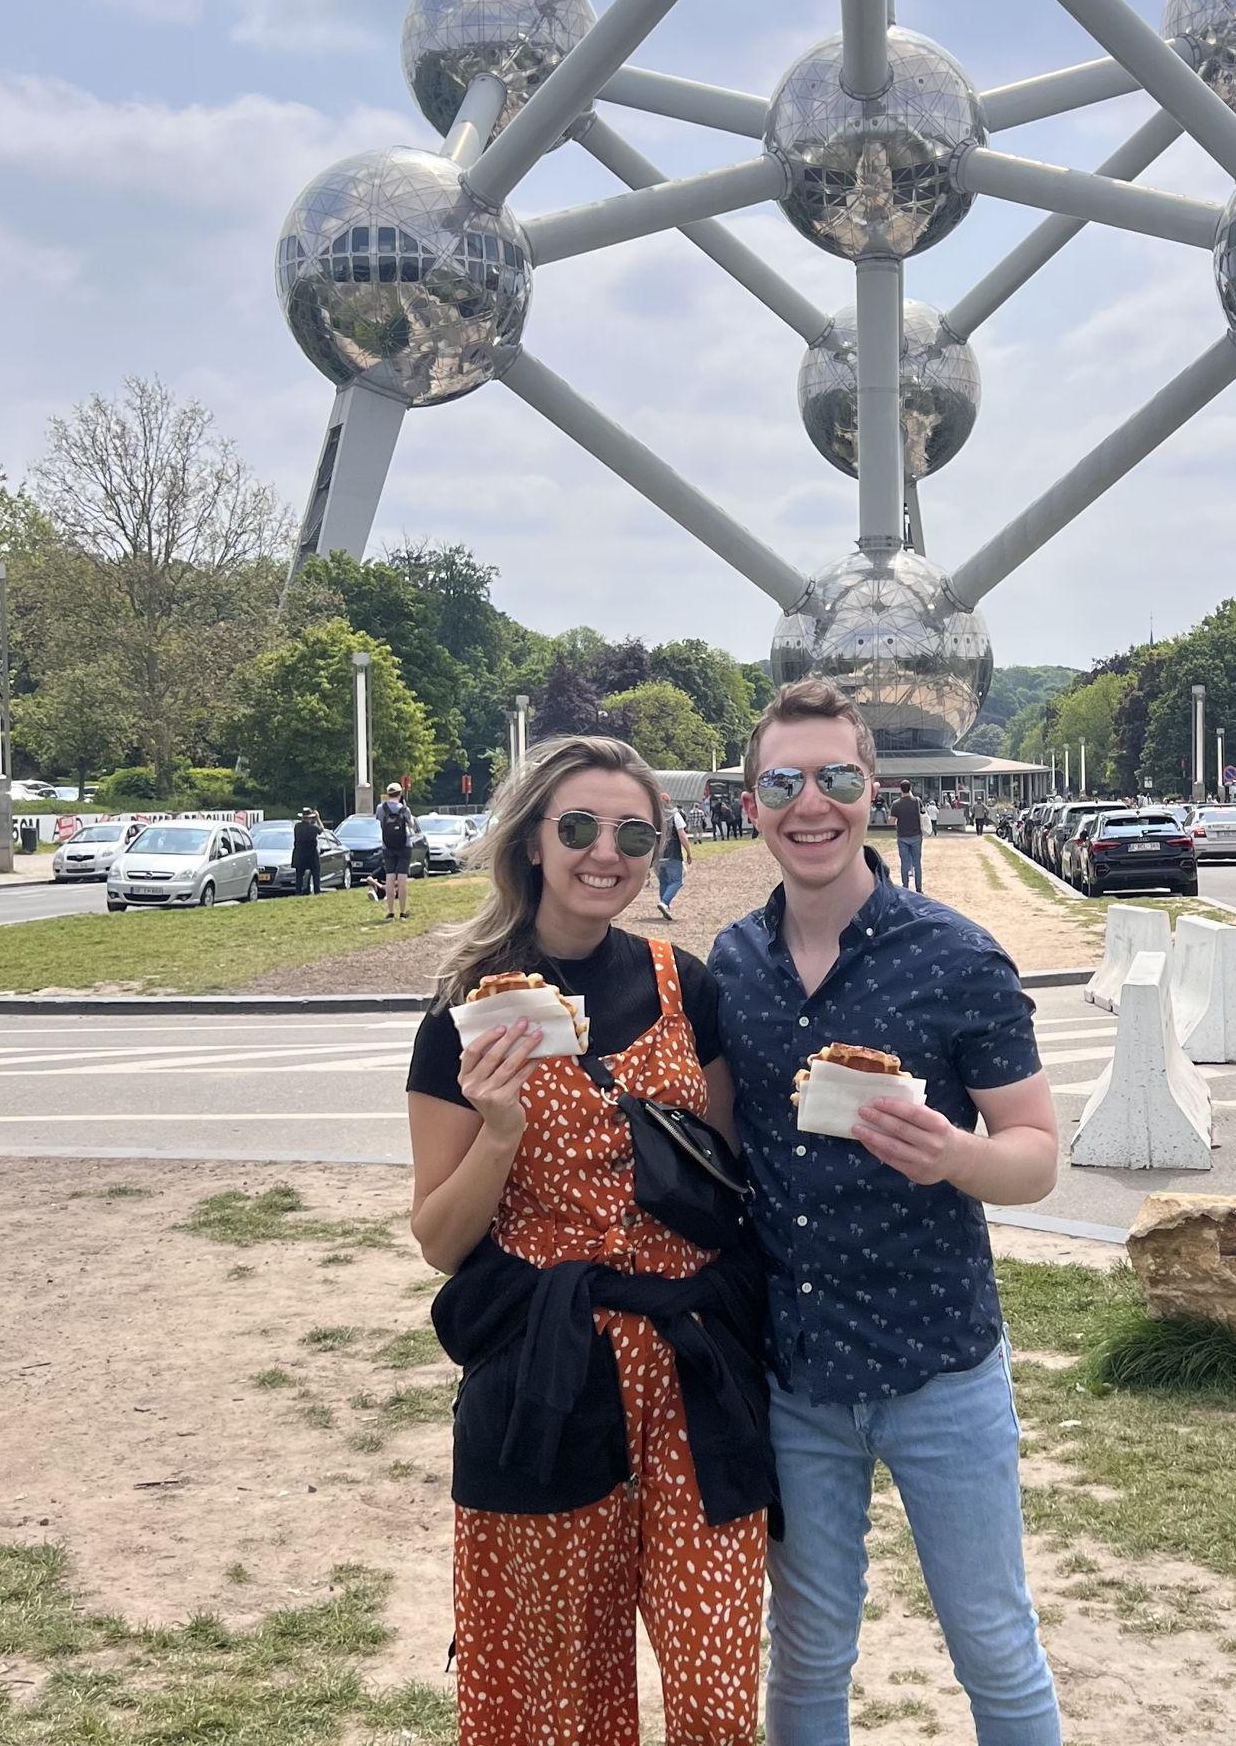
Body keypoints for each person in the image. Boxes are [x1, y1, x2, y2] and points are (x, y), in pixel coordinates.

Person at [711, 681, 1064, 1746]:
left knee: (992, 1643)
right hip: (796, 1374)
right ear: (750, 803)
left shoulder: (957, 957)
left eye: (835, 777)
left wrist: (956, 1155)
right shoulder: (733, 964)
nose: (810, 804)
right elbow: (723, 1151)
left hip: (938, 1367)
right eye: (783, 782)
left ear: (874, 789)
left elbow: (1035, 1156)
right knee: (808, 1649)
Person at [405, 736, 771, 1746]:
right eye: (578, 827)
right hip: (550, 1370)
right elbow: (439, 1237)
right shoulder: (466, 1013)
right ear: (531, 841)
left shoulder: (684, 985)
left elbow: (725, 1172)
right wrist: (500, 1132)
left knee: (716, 1693)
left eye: (633, 835)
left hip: (694, 1371)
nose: (604, 853)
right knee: (559, 1701)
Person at [379, 781, 417, 920]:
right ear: (400, 794)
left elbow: (381, 823)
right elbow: (411, 825)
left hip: (387, 846)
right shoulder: (404, 809)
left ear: (388, 794)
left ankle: (390, 912)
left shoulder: (381, 808)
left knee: (389, 877)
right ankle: (402, 912)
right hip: (404, 846)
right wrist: (404, 808)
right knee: (402, 878)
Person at [889, 778, 925, 892]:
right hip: (916, 835)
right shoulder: (917, 801)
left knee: (904, 864)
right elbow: (923, 813)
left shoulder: (896, 804)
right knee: (917, 863)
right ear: (911, 788)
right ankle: (919, 888)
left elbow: (891, 821)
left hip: (902, 836)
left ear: (900, 789)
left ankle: (905, 887)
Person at [658, 800, 690, 919]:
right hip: (672, 853)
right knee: (677, 881)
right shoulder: (675, 815)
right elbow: (682, 835)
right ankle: (664, 903)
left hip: (658, 855)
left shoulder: (655, 816)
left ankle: (665, 908)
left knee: (664, 882)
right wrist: (688, 852)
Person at [292, 806, 324, 896]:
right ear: (310, 818)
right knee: (316, 873)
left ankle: (298, 892)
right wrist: (318, 818)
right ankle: (317, 891)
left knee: (299, 876)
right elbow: (321, 829)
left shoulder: (297, 827)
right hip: (312, 854)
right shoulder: (313, 828)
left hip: (300, 854)